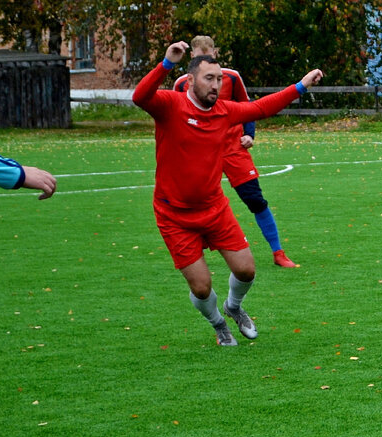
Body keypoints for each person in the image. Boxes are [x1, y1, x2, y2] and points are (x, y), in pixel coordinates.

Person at [133, 41, 323, 346]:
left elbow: (262, 107)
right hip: (174, 215)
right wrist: (167, 63)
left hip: (214, 209)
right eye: (209, 78)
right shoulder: (170, 105)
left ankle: (233, 308)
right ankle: (218, 323)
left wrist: (300, 85)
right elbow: (140, 96)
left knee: (247, 270)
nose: (217, 85)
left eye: (219, 79)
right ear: (191, 80)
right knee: (202, 288)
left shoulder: (223, 111)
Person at [174, 36, 298, 268]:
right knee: (193, 201)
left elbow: (248, 106)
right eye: (200, 56)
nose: (206, 61)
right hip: (200, 153)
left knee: (255, 200)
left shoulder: (231, 77)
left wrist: (249, 133)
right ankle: (195, 252)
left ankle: (278, 252)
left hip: (233, 149)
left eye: (208, 56)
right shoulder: (182, 83)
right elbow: (177, 116)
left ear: (215, 54)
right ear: (192, 56)